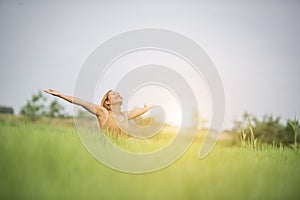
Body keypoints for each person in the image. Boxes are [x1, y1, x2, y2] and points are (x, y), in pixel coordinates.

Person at [43, 89, 155, 137]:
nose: (117, 95)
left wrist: (147, 107)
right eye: (113, 94)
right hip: (109, 151)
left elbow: (139, 111)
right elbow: (82, 102)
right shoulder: (104, 113)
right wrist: (60, 95)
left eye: (118, 94)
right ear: (107, 102)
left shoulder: (125, 115)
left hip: (123, 150)